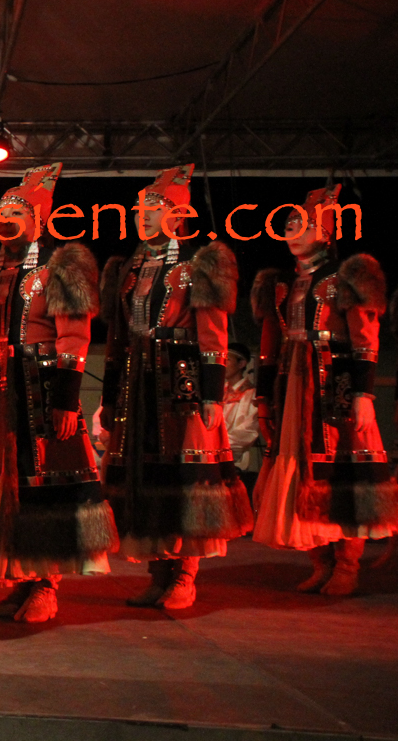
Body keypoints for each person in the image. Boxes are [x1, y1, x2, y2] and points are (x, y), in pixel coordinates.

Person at [0, 163, 113, 622]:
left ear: (37, 221)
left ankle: (46, 585)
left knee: (41, 482)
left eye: (16, 213)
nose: (5, 220)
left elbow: (74, 337)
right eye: (1, 212)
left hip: (40, 392)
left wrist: (65, 399)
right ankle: (18, 579)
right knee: (1, 485)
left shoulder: (59, 269)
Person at [98, 165, 252, 609]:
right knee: (146, 477)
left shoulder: (199, 264)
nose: (143, 214)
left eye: (154, 207)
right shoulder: (128, 268)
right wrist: (109, 398)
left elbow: (213, 335)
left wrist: (211, 395)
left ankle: (185, 574)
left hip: (182, 383)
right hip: (137, 384)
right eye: (139, 208)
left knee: (185, 478)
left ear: (179, 214)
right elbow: (117, 340)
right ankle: (158, 570)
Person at [251, 185, 394, 595]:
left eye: (303, 225)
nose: (293, 232)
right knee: (301, 474)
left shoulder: (346, 277)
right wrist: (264, 400)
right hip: (292, 387)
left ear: (327, 232)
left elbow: (365, 338)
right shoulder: (279, 284)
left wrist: (363, 394)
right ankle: (321, 560)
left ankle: (347, 565)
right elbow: (268, 347)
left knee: (344, 473)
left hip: (335, 385)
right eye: (288, 225)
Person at [221, 342, 261, 504]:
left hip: (235, 463)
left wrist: (222, 450)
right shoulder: (219, 392)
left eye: (227, 360)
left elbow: (247, 431)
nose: (222, 364)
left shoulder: (251, 394)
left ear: (242, 364)